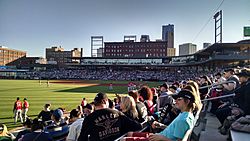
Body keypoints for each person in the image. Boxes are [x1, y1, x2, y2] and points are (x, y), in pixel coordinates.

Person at [126, 89, 198, 141]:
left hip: (160, 138)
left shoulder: (183, 120)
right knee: (130, 134)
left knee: (124, 139)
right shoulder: (186, 115)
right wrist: (161, 125)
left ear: (187, 101)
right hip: (159, 136)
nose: (176, 101)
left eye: (179, 99)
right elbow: (174, 131)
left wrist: (161, 138)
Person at [78, 92, 142, 141]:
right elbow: (137, 126)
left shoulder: (89, 118)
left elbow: (82, 138)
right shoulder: (117, 113)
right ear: (105, 101)